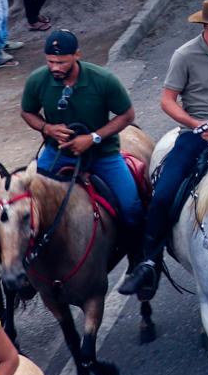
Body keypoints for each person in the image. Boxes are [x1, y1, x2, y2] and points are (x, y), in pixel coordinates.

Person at [118, 0, 208, 298]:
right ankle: (149, 263)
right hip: (195, 135)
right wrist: (196, 124)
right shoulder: (184, 56)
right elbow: (167, 101)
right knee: (163, 195)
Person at [19, 30, 142, 262]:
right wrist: (47, 128)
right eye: (50, 61)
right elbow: (27, 112)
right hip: (57, 153)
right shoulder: (37, 80)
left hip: (103, 155)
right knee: (26, 201)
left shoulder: (103, 80)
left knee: (131, 206)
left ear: (77, 55)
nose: (55, 67)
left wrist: (93, 137)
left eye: (61, 62)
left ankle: (139, 258)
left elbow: (127, 115)